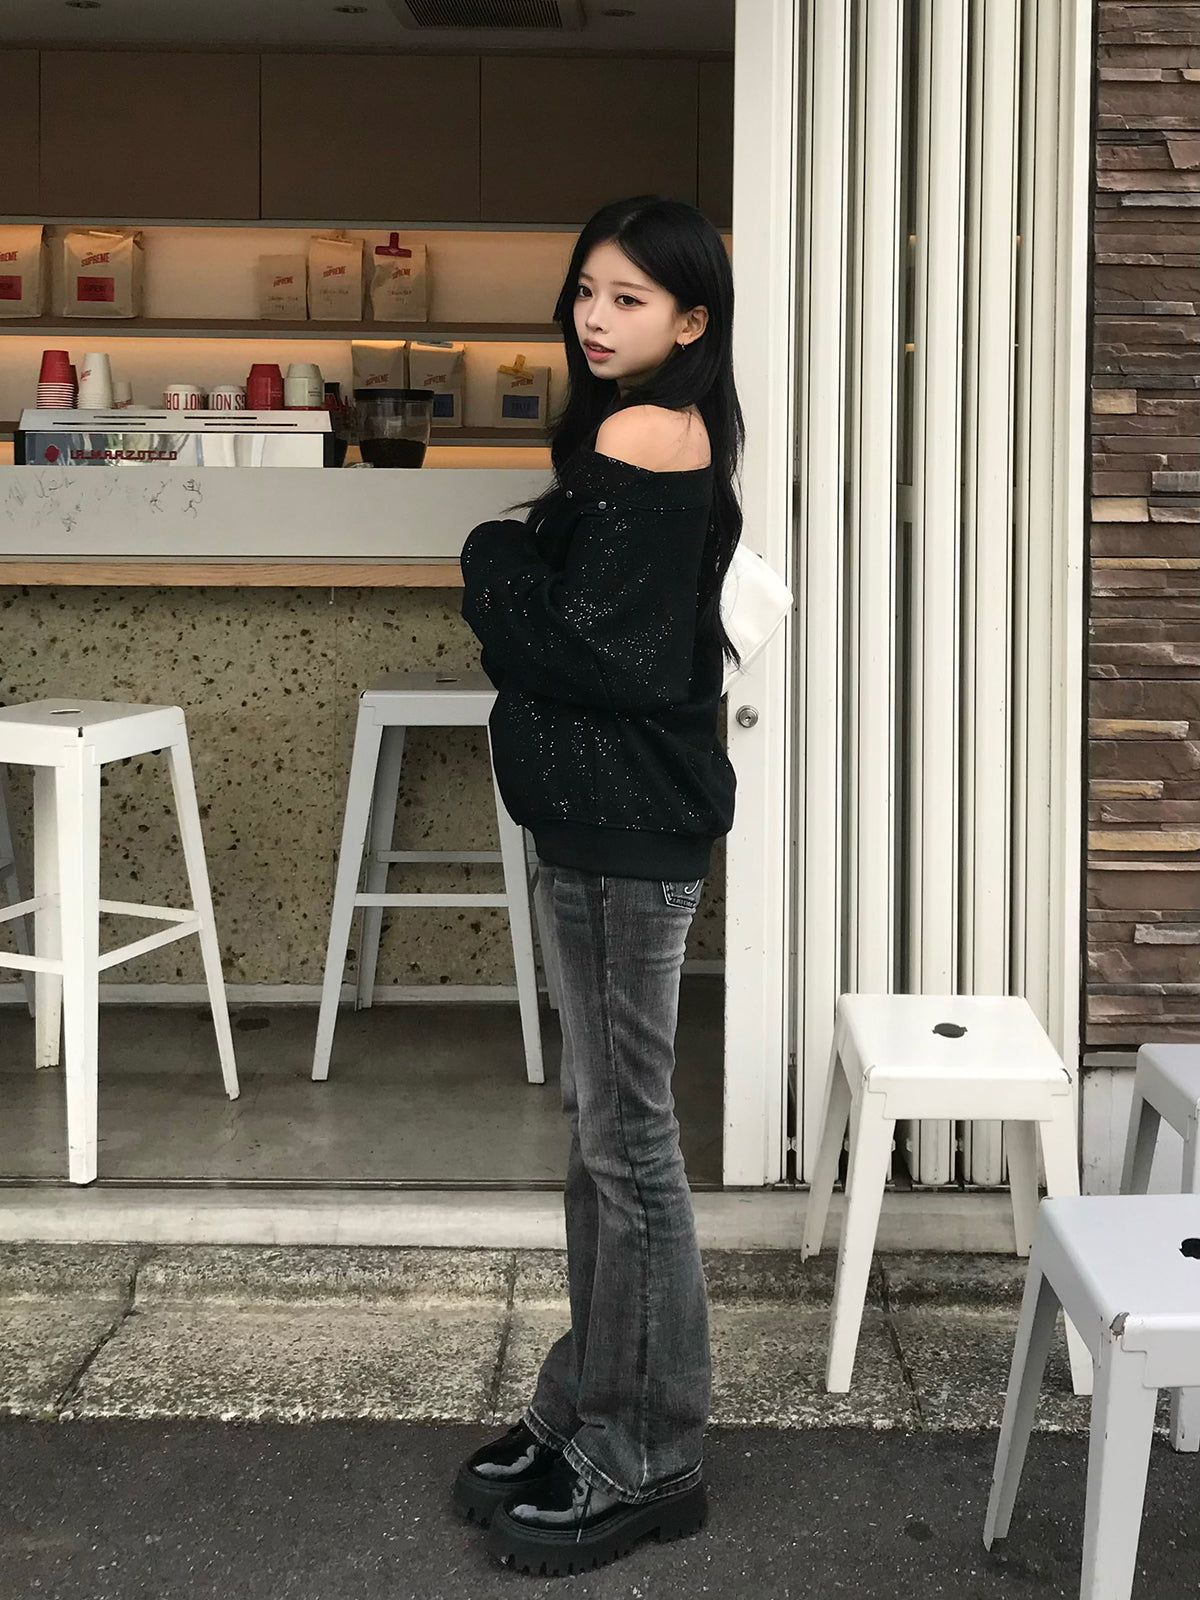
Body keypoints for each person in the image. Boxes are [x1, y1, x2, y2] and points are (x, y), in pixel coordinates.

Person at [454, 193, 744, 1577]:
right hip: (605, 824)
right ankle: (589, 1406)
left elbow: (588, 652)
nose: (595, 315)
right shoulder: (641, 427)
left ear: (690, 321)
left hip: (628, 834)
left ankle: (650, 1453)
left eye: (629, 297)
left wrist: (494, 553)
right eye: (586, 290)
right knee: (602, 1136)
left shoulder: (645, 432)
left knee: (627, 1143)